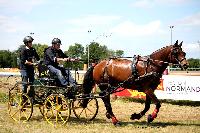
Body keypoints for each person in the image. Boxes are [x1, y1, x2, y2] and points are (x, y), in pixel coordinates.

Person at [19, 36, 40, 101]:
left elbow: (38, 58)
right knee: (25, 84)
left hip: (31, 69)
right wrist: (33, 64)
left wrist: (39, 62)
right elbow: (24, 61)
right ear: (26, 43)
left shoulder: (33, 49)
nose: (31, 43)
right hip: (24, 69)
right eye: (30, 42)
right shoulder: (23, 50)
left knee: (32, 84)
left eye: (31, 42)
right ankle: (23, 100)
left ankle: (32, 99)